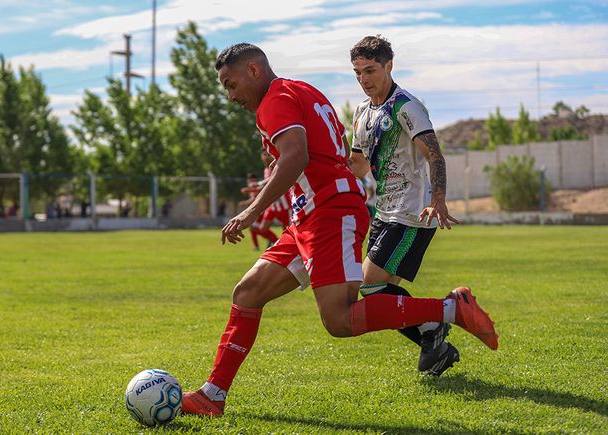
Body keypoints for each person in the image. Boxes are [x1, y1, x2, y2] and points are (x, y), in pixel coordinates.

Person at [181, 43, 498, 417]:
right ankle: (212, 395)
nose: (230, 96)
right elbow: (334, 153)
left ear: (253, 70)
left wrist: (253, 210)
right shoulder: (300, 89)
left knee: (340, 319)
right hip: (311, 215)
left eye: (230, 84)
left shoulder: (274, 101)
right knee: (248, 293)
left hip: (330, 214)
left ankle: (450, 310)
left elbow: (296, 155)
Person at [348, 35, 467, 376]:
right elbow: (357, 165)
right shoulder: (360, 112)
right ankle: (434, 340)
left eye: (370, 70)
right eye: (357, 72)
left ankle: (438, 320)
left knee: (370, 288)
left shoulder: (406, 105)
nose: (363, 79)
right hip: (384, 212)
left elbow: (434, 153)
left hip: (413, 213)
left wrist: (438, 199)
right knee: (382, 295)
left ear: (388, 66)